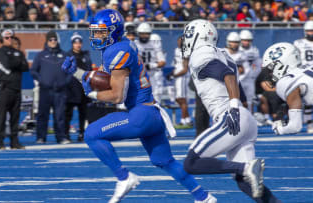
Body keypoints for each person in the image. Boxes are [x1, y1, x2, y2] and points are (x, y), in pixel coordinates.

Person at [62, 9, 217, 203]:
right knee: (164, 161)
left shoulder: (117, 51)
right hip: (151, 113)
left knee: (92, 134)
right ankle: (203, 197)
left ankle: (124, 177)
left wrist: (91, 93)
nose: (96, 36)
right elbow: (103, 76)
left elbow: (116, 95)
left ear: (114, 31)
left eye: (102, 31)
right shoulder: (123, 46)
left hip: (141, 114)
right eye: (95, 31)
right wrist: (77, 72)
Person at [182, 19, 281, 202]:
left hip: (230, 117)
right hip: (244, 120)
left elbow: (226, 75)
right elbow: (238, 87)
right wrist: (238, 109)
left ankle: (245, 167)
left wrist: (233, 109)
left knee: (191, 163)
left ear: (199, 36)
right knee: (247, 183)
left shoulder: (200, 55)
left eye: (188, 35)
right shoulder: (224, 54)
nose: (185, 40)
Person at [262, 42, 313, 136]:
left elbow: (295, 127)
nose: (270, 73)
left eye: (271, 68)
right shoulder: (306, 68)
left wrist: (279, 129)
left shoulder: (287, 81)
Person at [30, 31, 71, 144]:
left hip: (60, 91)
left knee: (60, 115)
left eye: (54, 40)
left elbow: (71, 71)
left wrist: (65, 82)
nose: (53, 42)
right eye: (50, 40)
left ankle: (61, 137)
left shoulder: (65, 55)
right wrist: (42, 80)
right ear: (47, 41)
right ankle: (41, 137)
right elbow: (33, 70)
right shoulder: (41, 55)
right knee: (43, 114)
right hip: (45, 90)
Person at [0, 29, 28, 150]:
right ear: (2, 39)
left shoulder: (17, 52)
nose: (10, 39)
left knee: (15, 117)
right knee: (2, 116)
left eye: (11, 37)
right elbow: (9, 64)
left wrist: (16, 61)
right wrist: (18, 61)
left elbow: (25, 67)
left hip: (16, 88)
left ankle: (14, 142)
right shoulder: (1, 51)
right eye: (7, 37)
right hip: (5, 88)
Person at [65, 32, 92, 142]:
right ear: (72, 44)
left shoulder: (86, 55)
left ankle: (82, 133)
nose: (78, 44)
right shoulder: (67, 55)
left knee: (84, 113)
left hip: (83, 89)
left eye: (79, 42)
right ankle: (66, 135)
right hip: (71, 89)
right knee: (68, 114)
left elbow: (89, 70)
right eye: (75, 42)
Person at [135, 22, 166, 103]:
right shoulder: (135, 44)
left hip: (152, 75)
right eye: (142, 34)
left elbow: (162, 62)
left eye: (146, 34)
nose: (144, 36)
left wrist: (151, 65)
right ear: (138, 34)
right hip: (139, 75)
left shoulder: (154, 44)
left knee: (156, 98)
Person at [166, 36, 192, 128]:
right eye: (179, 41)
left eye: (182, 41)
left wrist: (173, 75)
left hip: (183, 77)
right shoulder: (176, 50)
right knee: (178, 99)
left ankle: (182, 121)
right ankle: (188, 119)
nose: (180, 43)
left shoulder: (187, 51)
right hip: (177, 76)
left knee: (182, 99)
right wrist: (171, 74)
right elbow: (177, 65)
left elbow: (185, 69)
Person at [293, 20, 313, 133]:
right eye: (309, 31)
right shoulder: (298, 43)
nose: (311, 33)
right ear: (305, 31)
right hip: (305, 74)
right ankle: (309, 123)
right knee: (308, 101)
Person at [239, 30, 261, 112]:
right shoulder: (236, 49)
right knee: (237, 100)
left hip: (249, 79)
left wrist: (253, 75)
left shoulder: (254, 50)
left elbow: (258, 65)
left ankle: (249, 118)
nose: (246, 42)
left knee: (249, 100)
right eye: (244, 40)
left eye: (248, 40)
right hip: (238, 79)